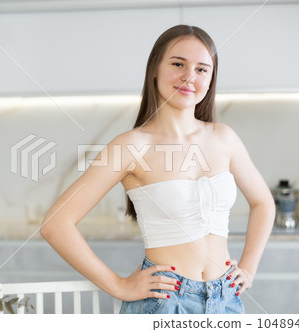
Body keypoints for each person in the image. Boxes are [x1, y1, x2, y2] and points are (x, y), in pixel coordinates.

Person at [40, 24, 275, 314]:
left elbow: (263, 202)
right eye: (178, 64)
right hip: (165, 302)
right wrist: (118, 285)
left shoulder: (224, 137)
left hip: (225, 299)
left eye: (202, 69)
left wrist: (249, 267)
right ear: (155, 69)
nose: (189, 77)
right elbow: (55, 224)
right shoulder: (130, 146)